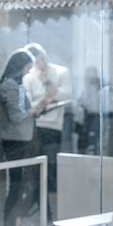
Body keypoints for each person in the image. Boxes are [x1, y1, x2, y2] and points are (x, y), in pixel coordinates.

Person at [0, 49, 48, 226]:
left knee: (19, 186)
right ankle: (9, 221)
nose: (28, 72)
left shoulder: (18, 85)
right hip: (14, 141)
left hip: (22, 139)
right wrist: (34, 110)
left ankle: (13, 220)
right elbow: (16, 116)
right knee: (15, 186)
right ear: (20, 66)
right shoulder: (10, 85)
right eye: (27, 68)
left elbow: (22, 111)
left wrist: (35, 110)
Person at [22, 43, 73, 193]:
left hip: (54, 126)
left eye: (42, 59)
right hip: (35, 126)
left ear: (44, 53)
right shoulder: (29, 76)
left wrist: (46, 81)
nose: (41, 63)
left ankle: (48, 199)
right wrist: (48, 100)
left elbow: (67, 96)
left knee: (51, 165)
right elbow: (29, 104)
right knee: (35, 167)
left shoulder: (61, 72)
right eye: (37, 61)